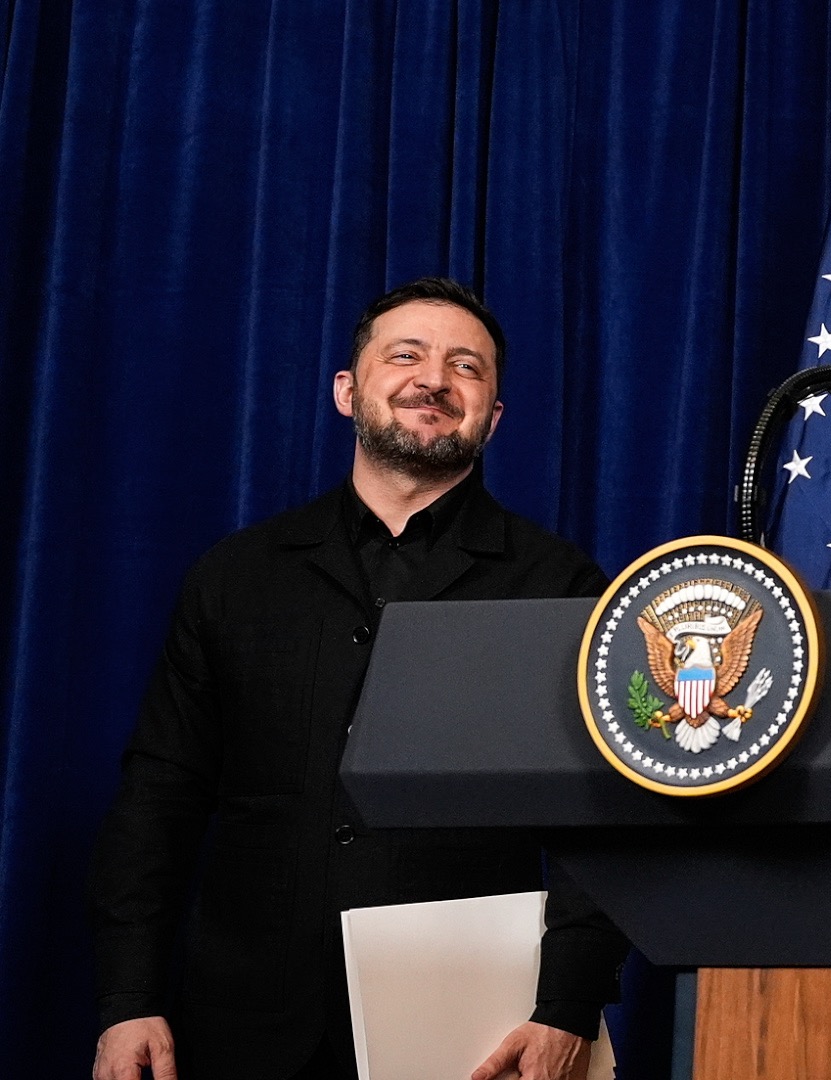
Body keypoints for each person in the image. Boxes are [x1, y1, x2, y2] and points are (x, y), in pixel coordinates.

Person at [89, 278, 629, 1080]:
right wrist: (125, 998)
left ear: (494, 415)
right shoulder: (234, 577)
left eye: (466, 367)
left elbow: (599, 815)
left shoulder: (562, 586)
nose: (434, 380)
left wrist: (567, 1008)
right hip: (242, 1026)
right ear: (348, 390)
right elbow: (158, 798)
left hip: (472, 1030)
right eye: (404, 355)